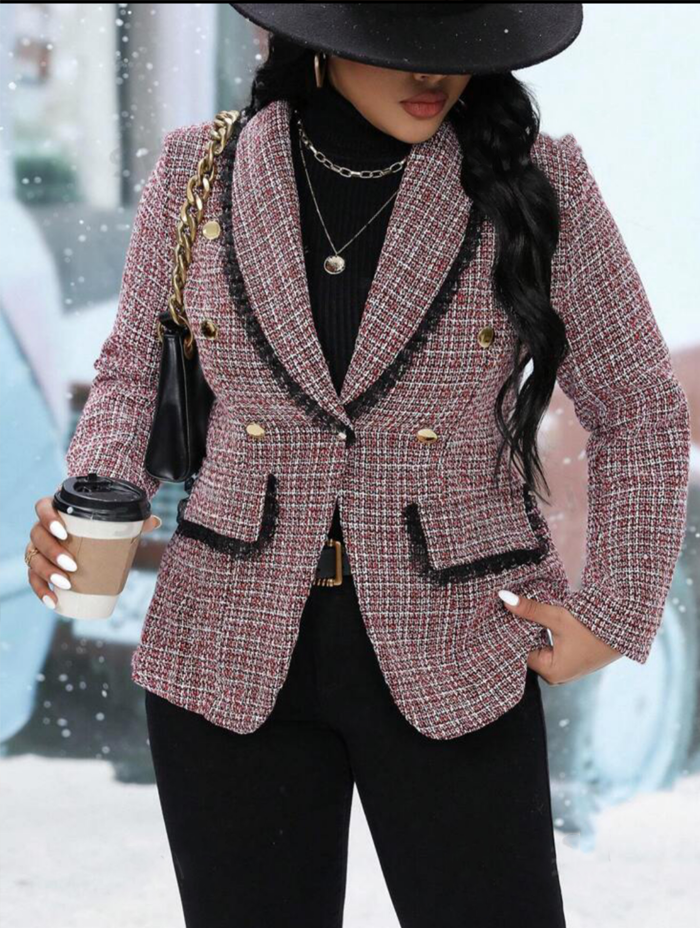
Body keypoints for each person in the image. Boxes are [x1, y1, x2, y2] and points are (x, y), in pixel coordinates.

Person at [25, 5, 691, 927]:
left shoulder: (535, 180)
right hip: (227, 643)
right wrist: (98, 495)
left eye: (453, 46)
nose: (433, 76)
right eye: (400, 45)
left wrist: (614, 610)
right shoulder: (201, 169)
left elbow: (640, 406)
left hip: (456, 643)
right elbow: (135, 367)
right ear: (324, 34)